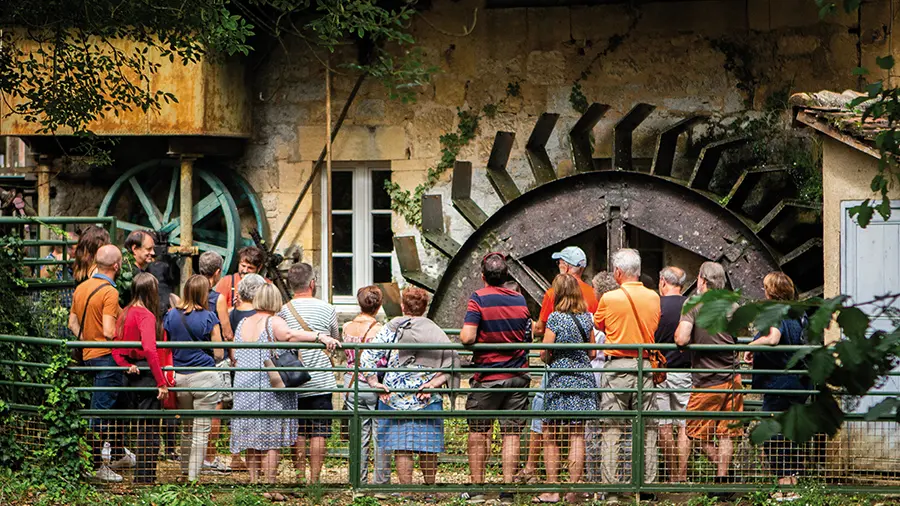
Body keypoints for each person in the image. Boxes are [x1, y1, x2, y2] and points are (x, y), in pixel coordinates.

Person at [230, 284, 338, 496]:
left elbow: (235, 354)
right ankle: (270, 486)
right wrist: (320, 336)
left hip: (245, 386)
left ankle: (255, 483)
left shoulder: (243, 322)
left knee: (252, 439)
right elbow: (289, 335)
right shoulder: (273, 321)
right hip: (268, 389)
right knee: (272, 439)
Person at [361, 287, 456, 489]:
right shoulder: (435, 331)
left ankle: (406, 491)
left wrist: (374, 383)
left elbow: (367, 356)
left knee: (401, 446)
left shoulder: (393, 327)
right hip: (426, 396)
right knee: (428, 446)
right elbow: (452, 362)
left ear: (403, 306)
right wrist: (434, 384)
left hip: (394, 396)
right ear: (424, 307)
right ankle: (430, 489)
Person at [460, 252, 530, 504]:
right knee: (511, 434)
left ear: (483, 276)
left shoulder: (479, 298)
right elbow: (526, 334)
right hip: (517, 375)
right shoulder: (520, 299)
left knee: (478, 432)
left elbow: (468, 337)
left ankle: (477, 488)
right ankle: (507, 491)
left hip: (488, 377)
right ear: (506, 276)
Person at [593, 248, 660, 495]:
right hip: (645, 366)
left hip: (617, 367)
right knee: (647, 428)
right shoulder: (654, 297)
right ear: (638, 271)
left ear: (618, 272)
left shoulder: (609, 298)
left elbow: (599, 325)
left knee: (612, 428)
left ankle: (611, 489)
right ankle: (648, 487)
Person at [674, 261, 743, 492]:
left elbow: (682, 339)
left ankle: (723, 474)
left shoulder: (694, 303)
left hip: (707, 380)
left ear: (702, 280)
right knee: (726, 432)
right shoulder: (733, 305)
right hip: (733, 377)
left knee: (692, 430)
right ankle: (723, 479)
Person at [68, 244, 129, 482]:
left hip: (89, 356)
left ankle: (113, 455)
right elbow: (109, 331)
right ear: (116, 265)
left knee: (102, 408)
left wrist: (87, 341)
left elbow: (72, 323)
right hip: (106, 357)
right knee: (100, 413)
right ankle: (95, 466)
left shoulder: (82, 287)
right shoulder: (109, 292)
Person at [536, 274, 597, 504]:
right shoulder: (586, 318)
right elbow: (592, 352)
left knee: (550, 433)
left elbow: (544, 352)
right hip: (582, 380)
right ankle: (573, 490)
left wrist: (553, 357)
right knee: (577, 434)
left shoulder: (555, 318)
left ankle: (552, 490)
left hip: (560, 380)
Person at [746, 272, 807, 502]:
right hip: (798, 383)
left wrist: (751, 346)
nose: (763, 291)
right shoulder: (798, 314)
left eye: (765, 287)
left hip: (779, 384)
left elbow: (773, 338)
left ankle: (784, 488)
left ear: (771, 291)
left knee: (774, 435)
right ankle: (793, 484)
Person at [277, 262, 339, 484]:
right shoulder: (327, 308)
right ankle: (315, 479)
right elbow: (334, 338)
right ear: (312, 283)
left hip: (295, 379)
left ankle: (299, 476)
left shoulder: (283, 311)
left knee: (299, 430)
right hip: (321, 379)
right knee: (319, 431)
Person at [163, 274, 225, 482]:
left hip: (180, 377)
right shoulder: (209, 317)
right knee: (201, 430)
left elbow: (166, 342)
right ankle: (192, 478)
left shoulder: (171, 315)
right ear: (204, 293)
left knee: (187, 428)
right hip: (204, 376)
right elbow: (219, 352)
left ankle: (183, 472)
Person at [112, 272, 170, 484]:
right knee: (149, 428)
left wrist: (125, 365)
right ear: (151, 292)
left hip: (130, 375)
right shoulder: (146, 316)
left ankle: (142, 476)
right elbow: (150, 349)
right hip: (146, 374)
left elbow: (115, 346)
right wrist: (161, 382)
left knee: (138, 425)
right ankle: (145, 478)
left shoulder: (125, 312)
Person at [342, 285, 391, 486]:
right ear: (378, 305)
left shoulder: (347, 327)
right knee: (381, 434)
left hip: (352, 384)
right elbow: (384, 359)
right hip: (374, 384)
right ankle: (381, 482)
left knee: (358, 435)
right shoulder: (380, 330)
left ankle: (358, 480)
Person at [197, 251, 235, 474]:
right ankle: (209, 458)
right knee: (216, 407)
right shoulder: (217, 298)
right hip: (213, 358)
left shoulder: (189, 293)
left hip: (192, 358)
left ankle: (193, 457)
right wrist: (233, 355)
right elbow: (227, 333)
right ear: (218, 272)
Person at [654, 266, 690, 483]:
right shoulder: (691, 305)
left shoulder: (655, 305)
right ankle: (682, 476)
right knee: (684, 425)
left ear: (662, 281)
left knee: (664, 425)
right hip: (685, 370)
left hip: (659, 372)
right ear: (683, 285)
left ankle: (671, 475)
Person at [585, 271, 618, 485]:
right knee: (616, 428)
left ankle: (593, 480)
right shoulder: (620, 315)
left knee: (592, 429)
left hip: (594, 376)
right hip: (612, 374)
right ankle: (617, 480)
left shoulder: (591, 318)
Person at [41, 230, 78, 337]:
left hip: (67, 324)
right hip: (53, 326)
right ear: (68, 249)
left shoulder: (72, 264)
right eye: (77, 249)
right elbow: (41, 276)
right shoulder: (48, 261)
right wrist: (57, 263)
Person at [117, 230, 156, 306]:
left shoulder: (123, 267)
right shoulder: (131, 275)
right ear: (134, 249)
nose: (153, 253)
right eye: (149, 249)